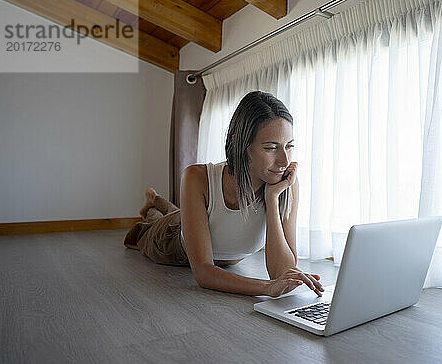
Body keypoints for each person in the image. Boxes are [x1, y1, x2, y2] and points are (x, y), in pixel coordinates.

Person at [124, 91, 324, 298]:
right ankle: (152, 206)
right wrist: (266, 287)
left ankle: (155, 200)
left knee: (177, 211)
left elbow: (283, 272)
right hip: (170, 240)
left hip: (214, 242)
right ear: (241, 144)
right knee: (151, 224)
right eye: (271, 148)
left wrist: (272, 199)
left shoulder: (286, 184)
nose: (284, 161)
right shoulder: (197, 177)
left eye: (289, 146)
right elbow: (203, 272)